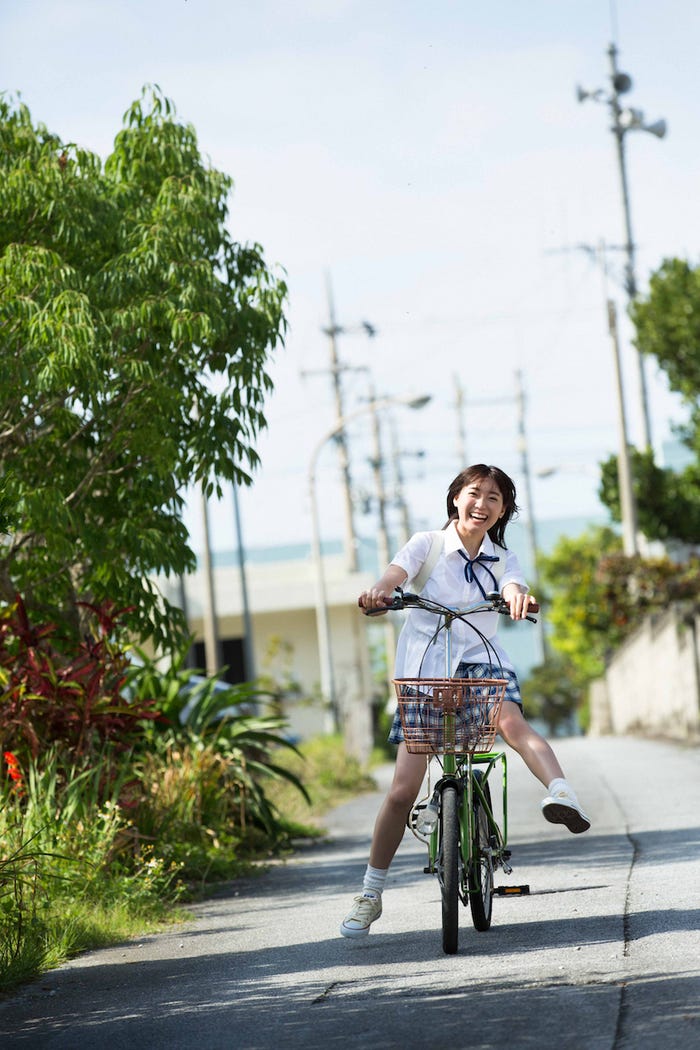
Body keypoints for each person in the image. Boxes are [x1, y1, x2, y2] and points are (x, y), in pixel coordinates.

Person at [340, 463, 590, 939]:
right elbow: (395, 575)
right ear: (456, 498)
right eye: (475, 493)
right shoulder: (426, 544)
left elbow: (514, 586)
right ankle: (370, 894)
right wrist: (381, 592)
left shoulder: (503, 559)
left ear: (503, 511)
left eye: (494, 498)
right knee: (401, 790)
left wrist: (517, 598)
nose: (483, 504)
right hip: (425, 673)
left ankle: (561, 792)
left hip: (481, 663)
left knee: (512, 725)